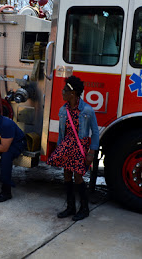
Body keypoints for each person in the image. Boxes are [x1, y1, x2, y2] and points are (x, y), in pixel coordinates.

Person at [47, 76, 99, 221]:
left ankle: (84, 208)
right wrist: (58, 150)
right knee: (67, 175)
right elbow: (61, 133)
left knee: (78, 177)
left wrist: (92, 153)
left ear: (73, 93)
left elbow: (95, 132)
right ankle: (70, 207)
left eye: (65, 91)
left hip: (80, 147)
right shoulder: (63, 110)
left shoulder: (87, 110)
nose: (62, 93)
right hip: (66, 146)